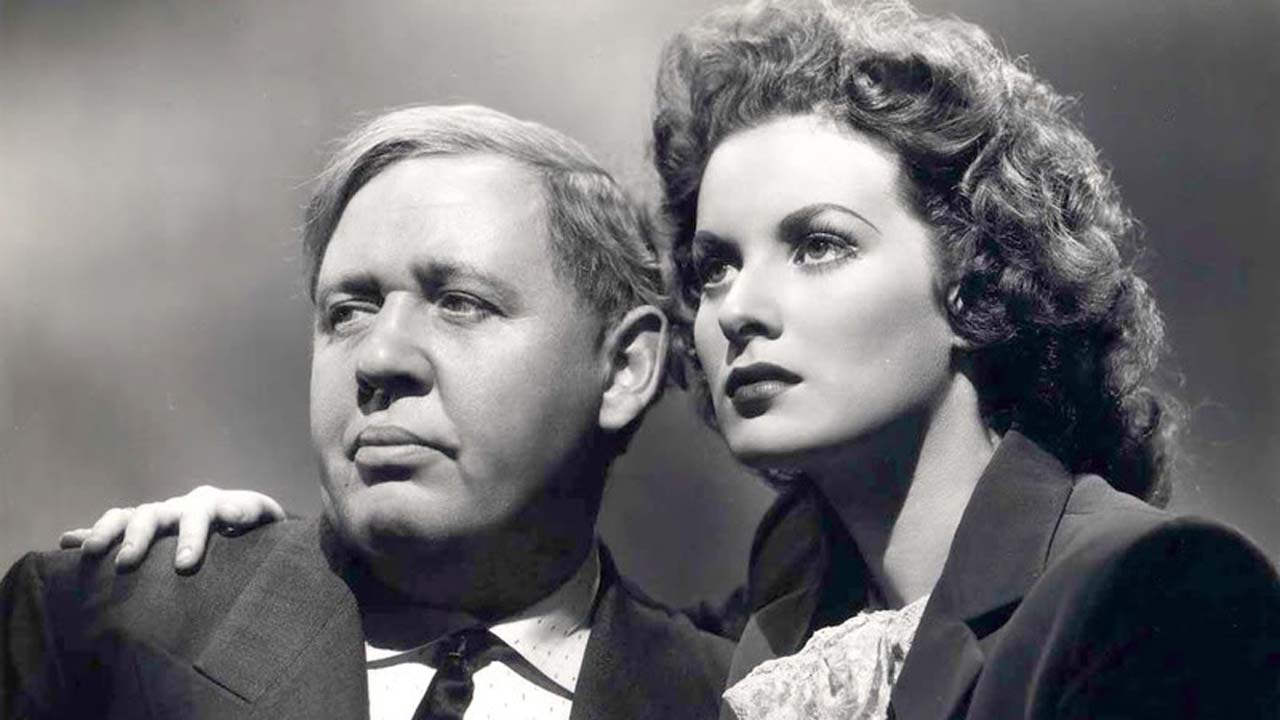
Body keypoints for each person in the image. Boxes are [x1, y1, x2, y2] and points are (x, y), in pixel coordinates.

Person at [53, 1, 1280, 718]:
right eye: (713, 266)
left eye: (814, 246)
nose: (738, 309)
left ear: (977, 278)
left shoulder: (1150, 593)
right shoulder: (762, 639)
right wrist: (218, 550)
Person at [0, 104, 732, 719]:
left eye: (460, 304)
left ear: (625, 368)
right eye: (348, 311)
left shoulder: (735, 702)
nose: (379, 358)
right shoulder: (93, 632)